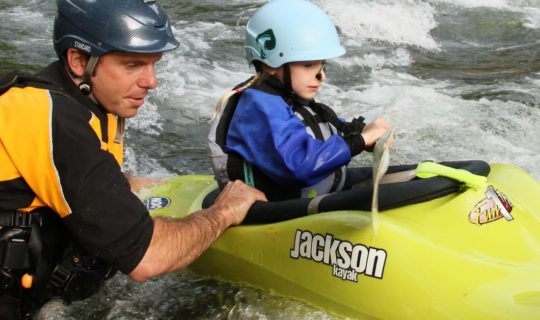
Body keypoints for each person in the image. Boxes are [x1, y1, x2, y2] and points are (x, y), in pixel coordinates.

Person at [0, 0, 266, 319]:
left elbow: (80, 176)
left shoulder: (88, 104)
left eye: (153, 64)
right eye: (132, 65)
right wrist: (224, 212)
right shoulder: (48, 117)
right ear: (78, 60)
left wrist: (135, 184)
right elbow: (147, 258)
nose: (151, 81)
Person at [208, 0, 390, 202]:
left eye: (322, 65)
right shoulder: (258, 107)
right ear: (270, 64)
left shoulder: (292, 98)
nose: (322, 76)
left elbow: (324, 129)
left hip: (313, 196)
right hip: (275, 213)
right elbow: (300, 164)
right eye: (308, 65)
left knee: (422, 176)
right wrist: (360, 141)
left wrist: (362, 133)